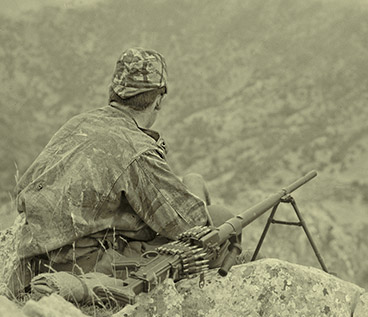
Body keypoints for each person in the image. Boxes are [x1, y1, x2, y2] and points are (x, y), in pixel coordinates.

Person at [13, 48, 234, 288]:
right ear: (158, 100)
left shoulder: (77, 123)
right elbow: (195, 227)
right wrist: (194, 184)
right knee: (222, 217)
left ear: (113, 92)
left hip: (33, 260)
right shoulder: (137, 150)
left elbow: (23, 191)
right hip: (85, 264)